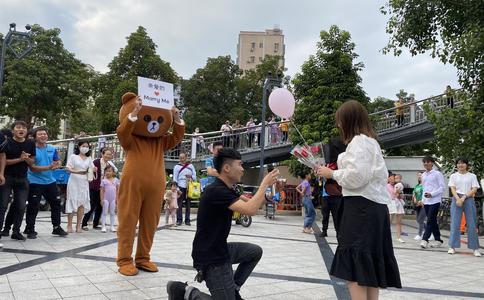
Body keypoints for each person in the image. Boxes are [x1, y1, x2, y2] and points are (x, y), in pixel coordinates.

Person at [166, 148, 279, 300]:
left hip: (220, 249)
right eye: (239, 164)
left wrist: (270, 193)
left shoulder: (227, 189)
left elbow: (253, 203)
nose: (242, 169)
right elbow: (250, 209)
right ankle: (186, 292)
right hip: (210, 257)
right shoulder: (216, 191)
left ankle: (233, 288)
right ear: (227, 168)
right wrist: (264, 182)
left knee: (254, 252)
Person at [317, 100, 401, 299]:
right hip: (375, 207)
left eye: (340, 121)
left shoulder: (359, 142)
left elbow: (357, 177)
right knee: (369, 266)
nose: (339, 126)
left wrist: (332, 174)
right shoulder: (371, 142)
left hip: (361, 208)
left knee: (354, 266)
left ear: (348, 120)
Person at [23, 127, 68, 239]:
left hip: (50, 181)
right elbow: (32, 168)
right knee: (33, 206)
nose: (43, 136)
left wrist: (57, 164)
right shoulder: (31, 149)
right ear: (35, 137)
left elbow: (57, 160)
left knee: (56, 204)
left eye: (44, 134)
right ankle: (30, 228)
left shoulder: (52, 148)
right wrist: (48, 167)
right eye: (40, 134)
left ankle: (56, 227)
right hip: (35, 181)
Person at [0, 121, 36, 241]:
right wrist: (20, 159)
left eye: (24, 128)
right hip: (8, 177)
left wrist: (26, 159)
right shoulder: (7, 142)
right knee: (3, 205)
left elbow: (32, 162)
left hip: (22, 178)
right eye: (18, 127)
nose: (21, 130)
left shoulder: (30, 143)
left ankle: (16, 231)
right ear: (13, 131)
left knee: (21, 206)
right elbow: (4, 161)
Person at [447, 157, 481, 257]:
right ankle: (452, 246)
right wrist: (458, 198)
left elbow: (474, 189)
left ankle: (475, 248)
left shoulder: (472, 176)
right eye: (458, 163)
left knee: (471, 223)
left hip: (469, 198)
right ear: (456, 165)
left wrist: (464, 197)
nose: (460, 165)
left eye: (463, 163)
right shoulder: (453, 176)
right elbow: (452, 188)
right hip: (456, 198)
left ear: (466, 165)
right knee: (455, 223)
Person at [82, 147, 117, 230]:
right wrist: (92, 170)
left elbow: (112, 174)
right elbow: (89, 170)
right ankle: (84, 224)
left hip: (103, 188)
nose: (108, 156)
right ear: (102, 154)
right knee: (91, 205)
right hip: (94, 187)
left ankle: (95, 223)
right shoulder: (96, 162)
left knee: (100, 206)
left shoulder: (109, 165)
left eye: (110, 154)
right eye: (107, 154)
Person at [65, 141, 96, 233]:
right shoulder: (73, 157)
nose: (85, 148)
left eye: (87, 146)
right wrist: (77, 172)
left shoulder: (89, 158)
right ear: (79, 147)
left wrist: (93, 169)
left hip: (84, 182)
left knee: (82, 203)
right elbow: (67, 168)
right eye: (83, 146)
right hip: (74, 181)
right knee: (71, 201)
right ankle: (69, 225)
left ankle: (78, 225)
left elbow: (92, 168)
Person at [320, 137, 346, 237]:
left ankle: (338, 232)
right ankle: (324, 230)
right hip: (325, 194)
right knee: (325, 214)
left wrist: (330, 173)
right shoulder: (325, 163)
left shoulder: (339, 164)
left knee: (337, 215)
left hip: (336, 194)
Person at [420, 156, 446, 249]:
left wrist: (432, 194)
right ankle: (438, 240)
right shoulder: (423, 175)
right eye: (424, 162)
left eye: (427, 162)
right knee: (433, 221)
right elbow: (424, 188)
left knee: (430, 219)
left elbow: (442, 187)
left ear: (432, 163)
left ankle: (425, 239)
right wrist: (422, 200)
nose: (426, 164)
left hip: (435, 200)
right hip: (426, 201)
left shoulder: (437, 174)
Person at [173, 153, 197, 226]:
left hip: (189, 187)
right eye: (180, 158)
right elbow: (175, 178)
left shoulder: (191, 166)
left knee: (188, 204)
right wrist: (177, 189)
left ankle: (187, 220)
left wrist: (191, 176)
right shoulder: (177, 167)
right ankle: (179, 220)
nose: (182, 159)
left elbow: (195, 176)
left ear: (186, 158)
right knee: (179, 204)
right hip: (180, 185)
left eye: (183, 158)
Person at [100, 165, 119, 233]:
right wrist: (102, 199)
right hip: (106, 199)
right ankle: (103, 226)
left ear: (113, 172)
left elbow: (117, 190)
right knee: (104, 212)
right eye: (107, 171)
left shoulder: (116, 180)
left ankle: (112, 226)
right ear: (104, 172)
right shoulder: (104, 181)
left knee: (112, 212)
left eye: (110, 171)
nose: (108, 172)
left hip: (113, 199)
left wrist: (117, 199)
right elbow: (102, 191)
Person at [412, 172, 426, 240]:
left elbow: (425, 193)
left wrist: (421, 201)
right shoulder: (417, 185)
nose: (419, 176)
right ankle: (428, 231)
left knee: (421, 219)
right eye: (418, 175)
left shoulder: (425, 185)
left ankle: (420, 234)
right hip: (417, 204)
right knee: (418, 219)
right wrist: (414, 199)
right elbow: (414, 193)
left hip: (423, 204)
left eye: (421, 175)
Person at [393, 174, 406, 243]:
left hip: (397, 203)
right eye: (395, 178)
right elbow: (396, 193)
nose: (396, 179)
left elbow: (397, 193)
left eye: (397, 178)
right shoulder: (396, 185)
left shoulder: (399, 184)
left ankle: (398, 237)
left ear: (400, 179)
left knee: (398, 222)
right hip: (394, 203)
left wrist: (399, 193)